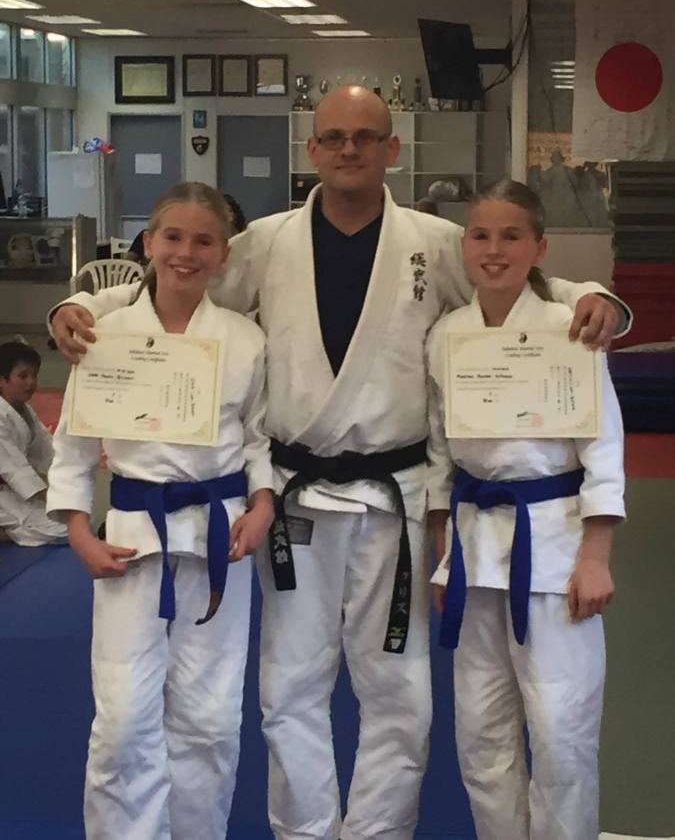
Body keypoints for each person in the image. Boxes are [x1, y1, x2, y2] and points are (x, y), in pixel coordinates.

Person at [49, 87, 629, 840]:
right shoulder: (264, 242)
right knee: (290, 685)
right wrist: (85, 310)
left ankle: (377, 832)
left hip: (398, 499)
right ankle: (306, 831)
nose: (348, 149)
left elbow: (518, 281)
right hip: (294, 497)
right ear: (312, 149)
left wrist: (600, 296)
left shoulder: (435, 242)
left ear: (391, 148)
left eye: (364, 136)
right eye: (333, 137)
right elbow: (176, 286)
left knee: (399, 690)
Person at [46, 182, 275, 840]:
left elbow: (258, 438)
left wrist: (262, 503)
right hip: (130, 538)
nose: (186, 252)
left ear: (224, 254)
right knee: (123, 718)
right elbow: (74, 445)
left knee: (210, 718)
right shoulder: (104, 335)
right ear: (148, 243)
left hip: (220, 536)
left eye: (204, 241)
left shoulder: (245, 340)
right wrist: (78, 531)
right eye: (173, 236)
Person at [426, 180, 625, 840]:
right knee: (481, 734)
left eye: (511, 236)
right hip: (474, 552)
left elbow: (602, 448)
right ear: (463, 246)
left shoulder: (569, 326)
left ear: (539, 248)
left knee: (561, 731)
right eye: (480, 235)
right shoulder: (445, 335)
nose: (493, 249)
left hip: (555, 548)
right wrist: (442, 556)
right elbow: (439, 454)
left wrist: (596, 556)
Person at [0, 340, 68, 546]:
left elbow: (47, 451)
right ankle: (5, 534)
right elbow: (14, 469)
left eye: (34, 376)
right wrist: (50, 497)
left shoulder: (24, 409)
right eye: (23, 376)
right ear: (1, 380)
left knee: (76, 519)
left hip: (12, 491)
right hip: (8, 488)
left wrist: (67, 486)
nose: (31, 382)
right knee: (65, 529)